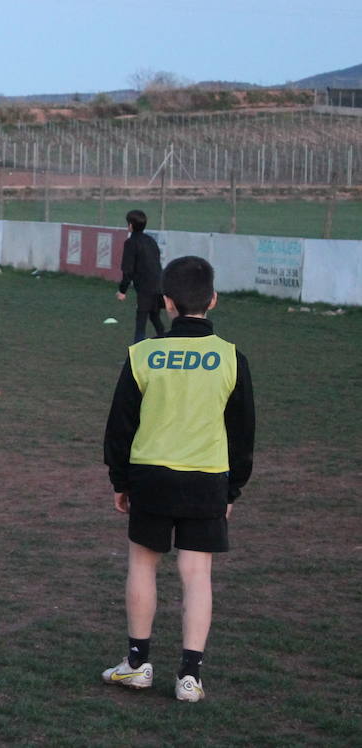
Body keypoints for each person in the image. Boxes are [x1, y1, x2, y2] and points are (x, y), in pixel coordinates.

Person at [101, 255, 255, 702]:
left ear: (166, 302)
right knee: (196, 573)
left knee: (143, 565)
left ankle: (137, 663)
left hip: (150, 476)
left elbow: (120, 425)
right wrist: (233, 489)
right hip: (206, 479)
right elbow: (242, 433)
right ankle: (189, 677)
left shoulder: (143, 354)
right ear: (213, 300)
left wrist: (120, 480)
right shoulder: (230, 358)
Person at [117, 209, 165, 342]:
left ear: (131, 225)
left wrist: (122, 291)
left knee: (141, 321)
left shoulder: (131, 243)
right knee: (154, 316)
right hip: (159, 284)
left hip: (145, 288)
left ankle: (137, 354)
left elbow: (128, 269)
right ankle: (166, 342)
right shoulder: (150, 241)